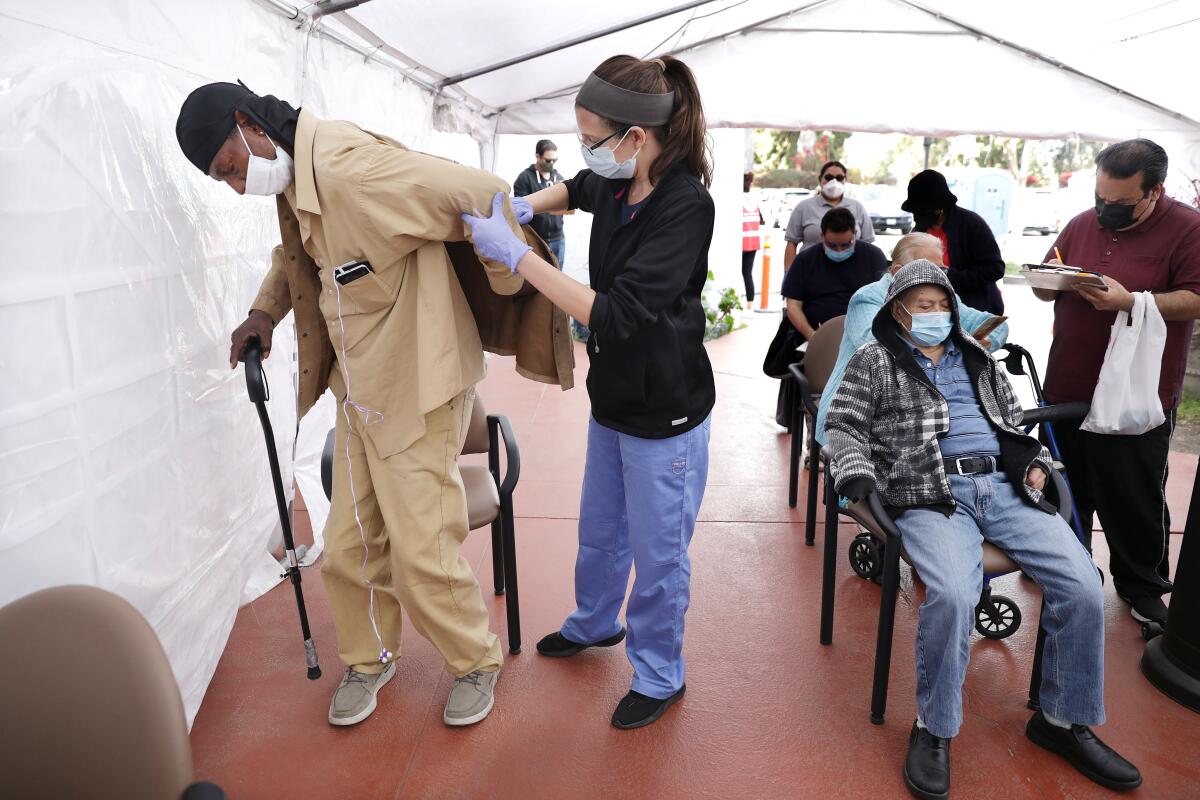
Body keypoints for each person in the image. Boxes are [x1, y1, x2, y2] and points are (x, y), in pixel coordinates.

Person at [174, 82, 572, 729]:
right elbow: (299, 256)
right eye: (221, 179)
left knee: (421, 551)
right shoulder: (295, 181)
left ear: (251, 126)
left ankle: (475, 660)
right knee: (348, 542)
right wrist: (263, 312)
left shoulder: (351, 171)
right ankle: (372, 656)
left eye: (230, 168)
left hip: (420, 385)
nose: (233, 185)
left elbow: (481, 192)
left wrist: (507, 281)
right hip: (363, 392)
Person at [461, 54, 714, 730]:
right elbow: (575, 188)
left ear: (637, 137)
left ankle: (661, 673)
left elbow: (613, 313)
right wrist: (523, 205)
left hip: (667, 409)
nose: (584, 151)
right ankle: (595, 622)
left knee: (659, 556)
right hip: (615, 400)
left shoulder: (684, 204)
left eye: (592, 139)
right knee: (601, 533)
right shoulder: (619, 179)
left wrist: (517, 256)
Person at [826, 261, 1142, 800]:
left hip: (1003, 487)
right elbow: (842, 424)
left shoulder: (978, 357)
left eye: (941, 304)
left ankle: (1061, 721)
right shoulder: (874, 359)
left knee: (1085, 585)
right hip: (929, 493)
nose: (935, 314)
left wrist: (1035, 460)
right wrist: (856, 474)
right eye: (922, 306)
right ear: (898, 311)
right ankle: (935, 728)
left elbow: (1012, 421)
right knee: (951, 594)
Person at [1036, 138, 1200, 626]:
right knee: (1064, 481)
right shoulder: (1085, 221)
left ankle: (1142, 584)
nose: (1106, 210)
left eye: (1121, 204)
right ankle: (1064, 565)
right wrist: (1049, 282)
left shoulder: (1187, 229)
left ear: (1154, 192)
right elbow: (1051, 271)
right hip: (1068, 379)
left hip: (1136, 391)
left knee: (1133, 489)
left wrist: (1132, 301)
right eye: (1100, 198)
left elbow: (1196, 297)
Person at [814, 232, 1008, 446]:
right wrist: (957, 345)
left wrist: (978, 344)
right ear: (898, 271)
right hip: (860, 408)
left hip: (923, 409)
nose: (936, 275)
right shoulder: (867, 298)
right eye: (925, 268)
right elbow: (876, 344)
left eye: (941, 269)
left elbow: (996, 325)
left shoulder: (941, 295)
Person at [902, 169, 1005, 315]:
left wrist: (948, 276)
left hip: (974, 308)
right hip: (936, 311)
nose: (916, 217)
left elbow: (995, 268)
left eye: (922, 211)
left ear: (939, 209)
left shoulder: (971, 224)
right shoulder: (919, 230)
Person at [781, 206, 887, 342]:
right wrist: (812, 336)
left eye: (845, 245)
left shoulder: (873, 256)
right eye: (832, 245)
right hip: (813, 335)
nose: (839, 250)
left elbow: (885, 301)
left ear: (855, 234)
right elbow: (793, 305)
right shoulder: (805, 260)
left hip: (864, 336)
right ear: (822, 236)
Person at [783, 159, 874, 271]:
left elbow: (868, 244)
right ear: (820, 179)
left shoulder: (857, 207)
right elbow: (792, 243)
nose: (834, 182)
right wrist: (788, 274)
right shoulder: (803, 207)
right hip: (811, 272)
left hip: (851, 272)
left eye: (839, 178)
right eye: (829, 177)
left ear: (845, 180)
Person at [513, 139, 567, 266]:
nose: (551, 163)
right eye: (548, 160)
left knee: (559, 278)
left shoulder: (558, 178)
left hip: (558, 237)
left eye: (554, 160)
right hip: (536, 240)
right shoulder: (524, 178)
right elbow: (520, 211)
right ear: (538, 156)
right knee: (538, 282)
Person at [743, 171, 764, 305]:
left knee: (739, 273)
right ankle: (750, 304)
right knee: (747, 273)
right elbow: (761, 220)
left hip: (741, 241)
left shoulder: (737, 198)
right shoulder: (754, 198)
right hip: (753, 241)